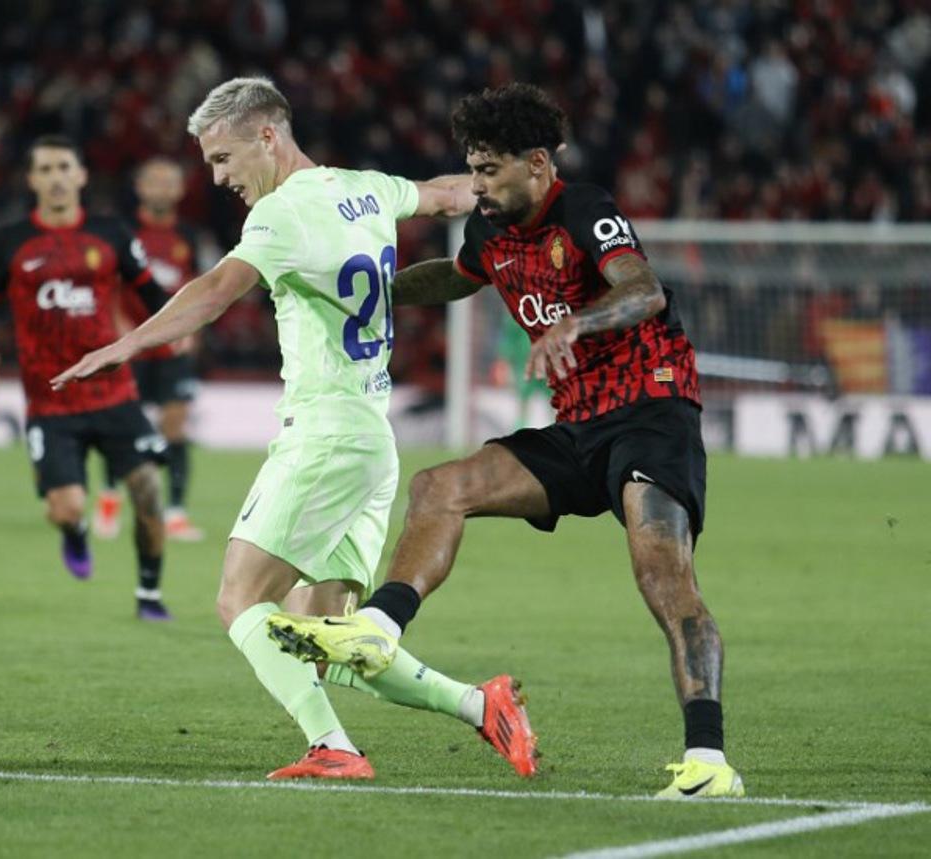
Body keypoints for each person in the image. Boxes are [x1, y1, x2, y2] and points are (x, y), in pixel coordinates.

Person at [267, 83, 744, 799]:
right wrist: (366, 288)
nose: (477, 185)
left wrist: (575, 323)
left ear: (539, 163)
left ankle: (709, 760)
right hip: (577, 424)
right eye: (473, 169)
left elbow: (644, 290)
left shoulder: (585, 209)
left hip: (651, 412)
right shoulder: (490, 234)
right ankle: (376, 627)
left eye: (490, 170)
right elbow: (453, 281)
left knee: (662, 575)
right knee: (441, 487)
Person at [52, 77, 537, 780]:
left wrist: (127, 344)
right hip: (371, 440)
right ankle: (480, 704)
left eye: (223, 158)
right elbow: (444, 193)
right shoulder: (364, 187)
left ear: (268, 137)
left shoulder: (281, 215)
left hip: (326, 434)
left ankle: (334, 749)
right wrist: (517, 185)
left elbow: (217, 289)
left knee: (238, 597)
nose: (218, 178)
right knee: (329, 644)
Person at [0, 134, 173, 622]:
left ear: (81, 176)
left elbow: (150, 292)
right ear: (32, 179)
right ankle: (75, 531)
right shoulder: (11, 241)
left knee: (146, 489)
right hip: (50, 401)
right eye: (46, 169)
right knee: (65, 509)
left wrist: (174, 331)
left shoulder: (111, 233)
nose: (56, 177)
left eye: (64, 167)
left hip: (114, 393)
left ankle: (148, 595)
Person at [95, 156, 205, 543]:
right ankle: (109, 499)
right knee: (121, 425)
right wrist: (119, 328)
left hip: (172, 347)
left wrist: (191, 329)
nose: (161, 188)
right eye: (154, 181)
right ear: (140, 187)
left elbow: (200, 286)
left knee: (174, 425)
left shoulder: (188, 236)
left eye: (169, 181)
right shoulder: (122, 231)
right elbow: (105, 283)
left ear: (179, 190)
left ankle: (175, 513)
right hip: (131, 347)